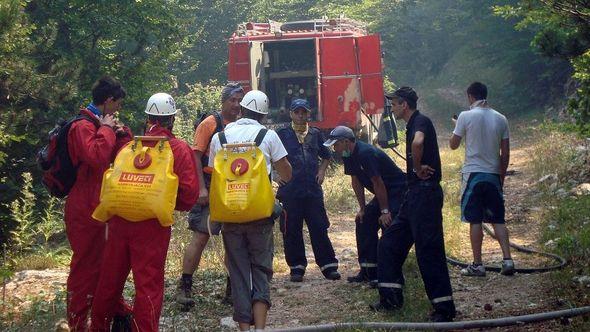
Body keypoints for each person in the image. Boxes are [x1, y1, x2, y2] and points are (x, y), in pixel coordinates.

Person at [90, 93, 199, 331]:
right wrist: (164, 202)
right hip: (152, 226)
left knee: (109, 282)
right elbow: (190, 195)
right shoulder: (177, 149)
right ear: (172, 119)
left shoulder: (130, 146)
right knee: (148, 286)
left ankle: (97, 327)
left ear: (148, 117)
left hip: (118, 220)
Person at [369, 87, 456, 322]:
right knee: (389, 243)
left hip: (426, 194)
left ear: (404, 105)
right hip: (413, 195)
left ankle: (444, 309)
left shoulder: (420, 121)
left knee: (428, 250)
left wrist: (417, 168)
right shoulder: (411, 124)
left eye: (395, 104)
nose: (393, 108)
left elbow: (418, 143)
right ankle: (390, 300)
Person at [209, 90, 292, 331]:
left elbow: (215, 173)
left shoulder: (220, 137)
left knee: (238, 273)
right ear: (263, 116)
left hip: (230, 214)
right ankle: (260, 329)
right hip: (259, 214)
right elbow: (285, 171)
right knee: (261, 269)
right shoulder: (268, 135)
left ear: (241, 110)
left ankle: (244, 329)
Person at [64, 76, 132, 330]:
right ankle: (78, 321)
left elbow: (122, 155)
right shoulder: (82, 126)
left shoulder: (98, 124)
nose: (118, 110)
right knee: (85, 265)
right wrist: (105, 129)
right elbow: (95, 157)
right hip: (84, 204)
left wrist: (121, 133)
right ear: (108, 101)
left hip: (100, 201)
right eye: (118, 105)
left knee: (106, 261)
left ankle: (115, 311)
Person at [176, 82, 244, 307]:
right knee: (201, 236)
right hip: (208, 183)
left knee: (232, 238)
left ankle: (232, 289)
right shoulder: (210, 123)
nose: (236, 105)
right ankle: (185, 286)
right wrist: (201, 189)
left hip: (231, 186)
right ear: (223, 101)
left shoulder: (242, 125)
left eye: (239, 101)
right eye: (232, 100)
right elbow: (195, 156)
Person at [323, 126, 406, 286]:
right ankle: (368, 271)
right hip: (383, 191)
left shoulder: (365, 153)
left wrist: (385, 211)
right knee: (364, 220)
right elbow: (356, 181)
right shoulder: (347, 155)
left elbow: (378, 182)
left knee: (387, 225)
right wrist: (362, 208)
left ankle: (389, 275)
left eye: (336, 145)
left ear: (346, 142)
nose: (335, 149)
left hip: (397, 191)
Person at [449, 82, 514, 277]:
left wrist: (457, 127)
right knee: (498, 219)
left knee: (475, 219)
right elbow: (505, 153)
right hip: (493, 174)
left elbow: (453, 145)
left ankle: (478, 264)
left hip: (473, 175)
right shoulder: (501, 118)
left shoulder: (465, 116)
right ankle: (508, 260)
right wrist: (501, 176)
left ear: (470, 96)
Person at [276, 99, 340, 282]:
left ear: (308, 113)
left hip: (312, 191)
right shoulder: (282, 134)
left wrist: (321, 171)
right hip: (290, 191)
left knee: (319, 227)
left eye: (303, 112)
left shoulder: (315, 134)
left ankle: (329, 266)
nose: (300, 115)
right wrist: (275, 175)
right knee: (291, 230)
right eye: (297, 112)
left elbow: (326, 156)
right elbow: (269, 156)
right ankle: (297, 268)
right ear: (291, 114)